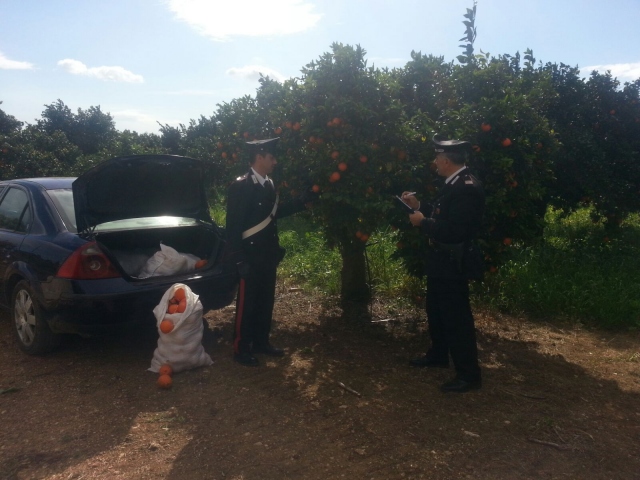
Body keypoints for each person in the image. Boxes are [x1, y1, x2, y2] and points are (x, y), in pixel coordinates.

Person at [401, 136, 485, 393]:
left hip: (453, 262)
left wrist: (422, 222)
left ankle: (469, 375)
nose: (434, 162)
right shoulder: (454, 183)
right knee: (436, 311)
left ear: (446, 160)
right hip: (441, 260)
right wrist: (420, 207)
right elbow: (442, 213)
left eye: (437, 158)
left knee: (456, 318)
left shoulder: (466, 187)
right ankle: (438, 355)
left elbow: (454, 231)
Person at [224, 137, 312, 366]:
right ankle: (241, 348)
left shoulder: (269, 185)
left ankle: (261, 342)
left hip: (267, 253)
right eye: (272, 157)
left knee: (265, 301)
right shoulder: (240, 186)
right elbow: (232, 227)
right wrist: (238, 259)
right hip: (249, 256)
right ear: (259, 157)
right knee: (247, 304)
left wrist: (301, 202)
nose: (275, 161)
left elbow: (273, 215)